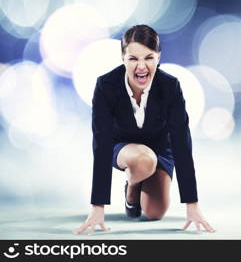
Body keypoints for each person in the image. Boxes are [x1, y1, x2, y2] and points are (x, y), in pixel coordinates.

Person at [74, 24, 214, 235]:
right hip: (123, 148)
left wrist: (192, 205)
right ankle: (132, 186)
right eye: (133, 59)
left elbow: (181, 142)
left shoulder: (170, 86)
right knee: (143, 159)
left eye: (148, 57)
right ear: (123, 58)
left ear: (158, 56)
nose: (141, 66)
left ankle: (138, 180)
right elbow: (101, 144)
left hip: (160, 148)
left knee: (155, 213)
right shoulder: (106, 85)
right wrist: (97, 207)